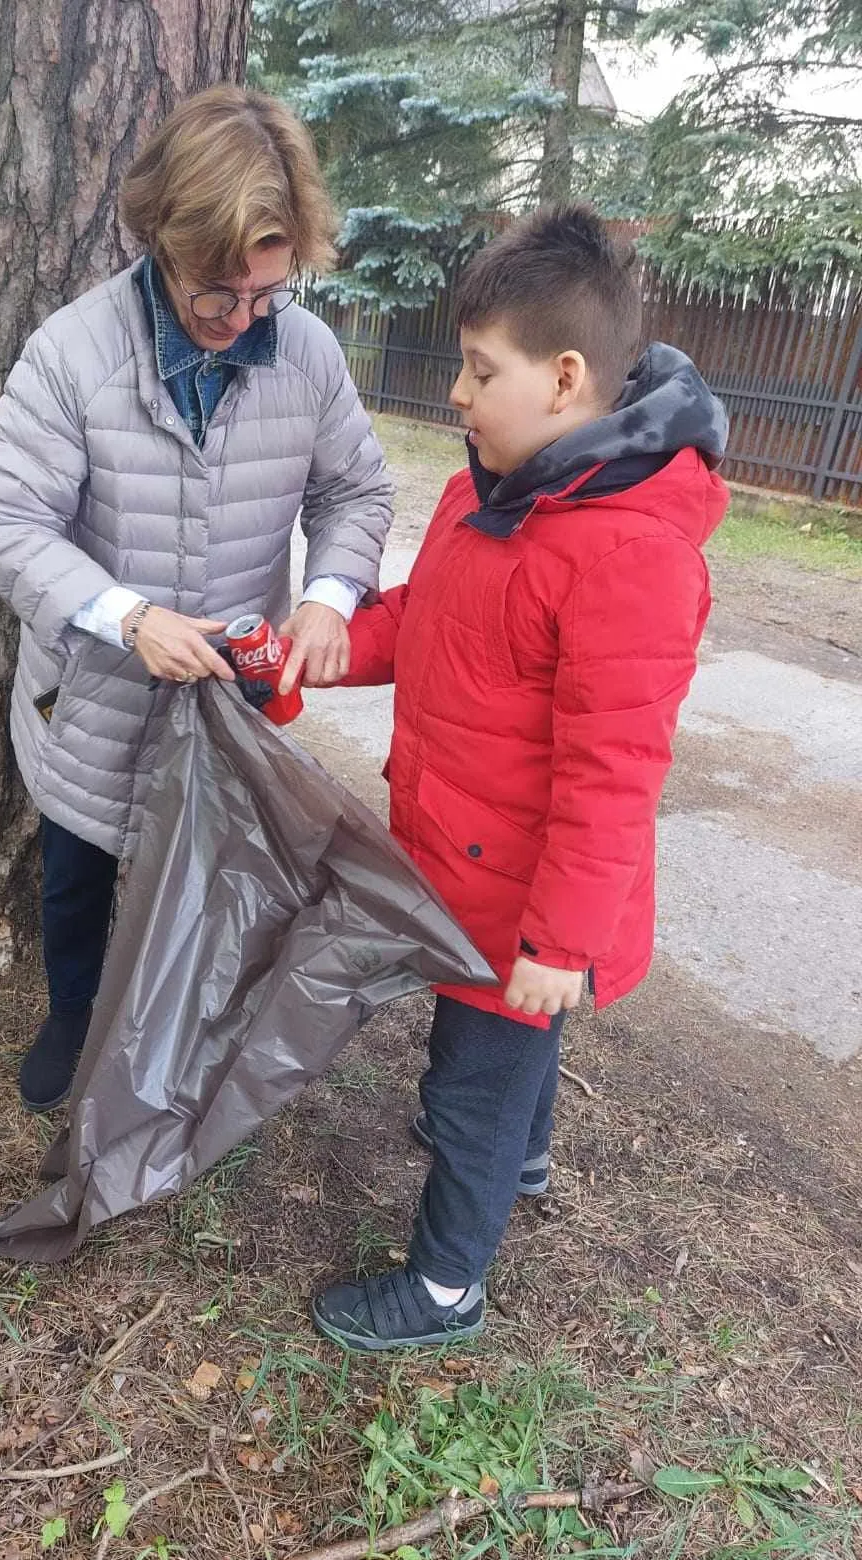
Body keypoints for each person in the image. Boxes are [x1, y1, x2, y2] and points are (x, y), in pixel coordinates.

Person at [311, 204, 730, 1351]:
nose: (456, 390)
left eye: (478, 369)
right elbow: (421, 623)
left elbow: (614, 777)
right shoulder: (486, 493)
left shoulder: (629, 554)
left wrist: (560, 944)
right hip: (462, 864)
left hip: (522, 908)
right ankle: (525, 1158)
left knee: (471, 1087)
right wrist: (321, 648)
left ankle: (445, 1287)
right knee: (508, 1069)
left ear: (562, 379)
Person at [0, 87, 393, 1113]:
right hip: (98, 688)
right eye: (218, 294)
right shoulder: (72, 355)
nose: (241, 320)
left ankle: (188, 1023)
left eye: (265, 294)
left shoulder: (309, 356)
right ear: (160, 234)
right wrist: (127, 617)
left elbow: (357, 488)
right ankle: (74, 1014)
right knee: (76, 864)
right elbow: (5, 518)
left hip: (229, 698)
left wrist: (331, 593)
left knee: (211, 868)